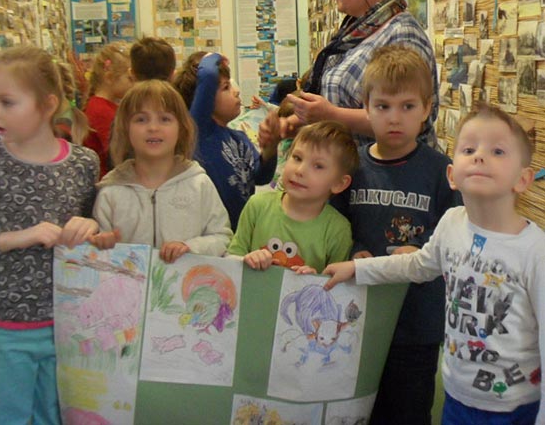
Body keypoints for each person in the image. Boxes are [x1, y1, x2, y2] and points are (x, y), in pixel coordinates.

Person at [324, 104, 544, 425]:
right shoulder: (452, 223)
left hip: (514, 407)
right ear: (452, 175)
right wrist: (358, 269)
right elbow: (419, 264)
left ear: (523, 179)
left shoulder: (534, 250)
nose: (480, 156)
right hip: (457, 395)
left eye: (498, 151)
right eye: (469, 149)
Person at [332, 45, 462, 425]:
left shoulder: (443, 171)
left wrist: (422, 250)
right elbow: (340, 227)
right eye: (383, 106)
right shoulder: (353, 169)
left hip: (417, 320)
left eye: (408, 106)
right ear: (365, 107)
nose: (395, 118)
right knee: (359, 410)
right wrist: (356, 251)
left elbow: (456, 232)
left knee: (408, 411)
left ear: (426, 108)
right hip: (359, 315)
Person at [0, 46, 100, 424]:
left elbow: (98, 234)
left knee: (57, 416)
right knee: (9, 417)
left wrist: (92, 228)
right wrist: (16, 237)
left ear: (47, 104)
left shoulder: (82, 163)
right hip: (3, 328)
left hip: (67, 324)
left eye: (7, 101)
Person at [275, 0, 438, 148]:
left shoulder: (402, 37)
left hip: (390, 177)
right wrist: (293, 122)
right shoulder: (356, 31)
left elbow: (410, 121)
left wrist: (331, 115)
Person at [91, 79, 232, 262]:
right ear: (125, 128)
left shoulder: (199, 184)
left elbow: (222, 237)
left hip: (183, 286)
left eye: (165, 119)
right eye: (141, 119)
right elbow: (97, 253)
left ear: (181, 128)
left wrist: (191, 247)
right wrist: (101, 245)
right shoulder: (111, 192)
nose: (153, 128)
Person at [228, 121, 356, 273]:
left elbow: (337, 286)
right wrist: (246, 260)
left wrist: (317, 279)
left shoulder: (338, 229)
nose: (300, 170)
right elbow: (231, 258)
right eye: (297, 158)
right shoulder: (257, 205)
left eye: (318, 166)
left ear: (339, 183)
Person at [189, 52, 280, 230]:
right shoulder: (198, 132)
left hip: (240, 233)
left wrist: (271, 147)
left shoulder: (239, 138)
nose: (236, 91)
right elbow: (207, 75)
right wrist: (214, 57)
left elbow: (261, 177)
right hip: (213, 234)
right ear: (204, 97)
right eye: (225, 87)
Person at [83, 42, 133, 177]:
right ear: (109, 78)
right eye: (129, 78)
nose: (134, 83)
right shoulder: (101, 111)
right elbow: (118, 155)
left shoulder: (107, 107)